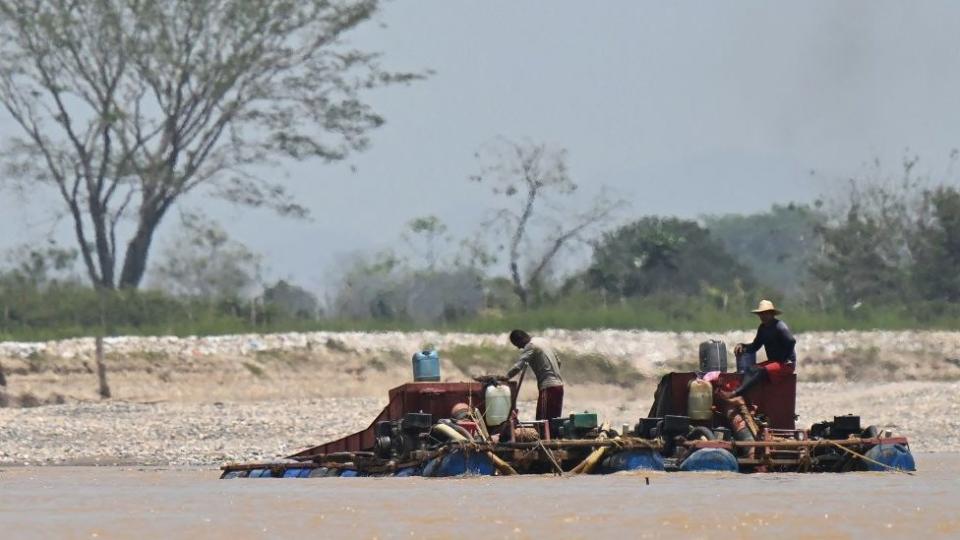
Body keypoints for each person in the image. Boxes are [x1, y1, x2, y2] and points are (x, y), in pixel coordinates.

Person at [720, 300, 797, 399]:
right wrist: (743, 346)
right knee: (751, 369)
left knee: (761, 371)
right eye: (761, 314)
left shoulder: (779, 326)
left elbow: (791, 341)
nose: (763, 316)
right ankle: (746, 397)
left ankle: (736, 394)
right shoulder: (762, 328)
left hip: (786, 364)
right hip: (773, 362)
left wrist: (784, 358)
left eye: (766, 313)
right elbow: (755, 346)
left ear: (772, 314)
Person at [504, 329, 564, 420]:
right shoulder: (543, 341)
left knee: (542, 422)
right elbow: (558, 362)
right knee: (554, 421)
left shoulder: (531, 346)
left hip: (548, 387)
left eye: (518, 345)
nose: (520, 348)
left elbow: (518, 367)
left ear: (521, 339)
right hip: (559, 386)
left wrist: (505, 378)